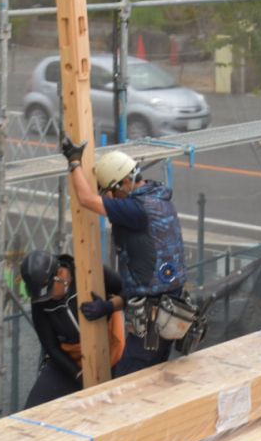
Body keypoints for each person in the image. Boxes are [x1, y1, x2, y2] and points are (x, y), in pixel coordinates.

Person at [61, 139, 189, 375]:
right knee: (153, 378)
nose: (111, 197)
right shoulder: (159, 201)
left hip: (153, 324)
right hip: (169, 313)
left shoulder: (136, 209)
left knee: (126, 383)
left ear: (123, 183)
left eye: (110, 191)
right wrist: (110, 306)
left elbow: (87, 200)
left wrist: (74, 162)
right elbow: (148, 282)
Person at [19, 248, 125, 407]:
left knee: (119, 403)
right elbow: (51, 347)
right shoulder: (40, 303)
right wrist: (78, 375)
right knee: (35, 406)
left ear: (61, 275)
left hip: (113, 350)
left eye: (48, 292)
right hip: (71, 360)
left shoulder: (90, 271)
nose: (46, 299)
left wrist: (108, 307)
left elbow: (129, 293)